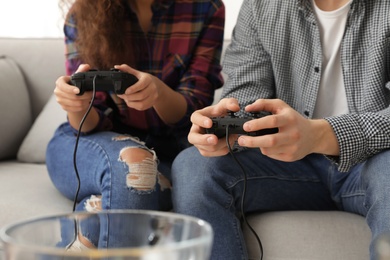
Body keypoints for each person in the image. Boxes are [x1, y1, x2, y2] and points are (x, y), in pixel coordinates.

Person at [171, 0, 390, 259]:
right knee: (193, 167)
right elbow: (247, 95)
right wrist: (227, 128)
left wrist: (321, 134)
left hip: (374, 161)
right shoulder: (261, 6)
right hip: (285, 164)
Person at [46, 0, 224, 250]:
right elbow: (86, 125)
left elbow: (197, 110)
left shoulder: (206, 8)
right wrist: (77, 105)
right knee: (136, 164)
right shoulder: (83, 12)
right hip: (85, 142)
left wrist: (159, 94)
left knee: (96, 215)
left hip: (167, 152)